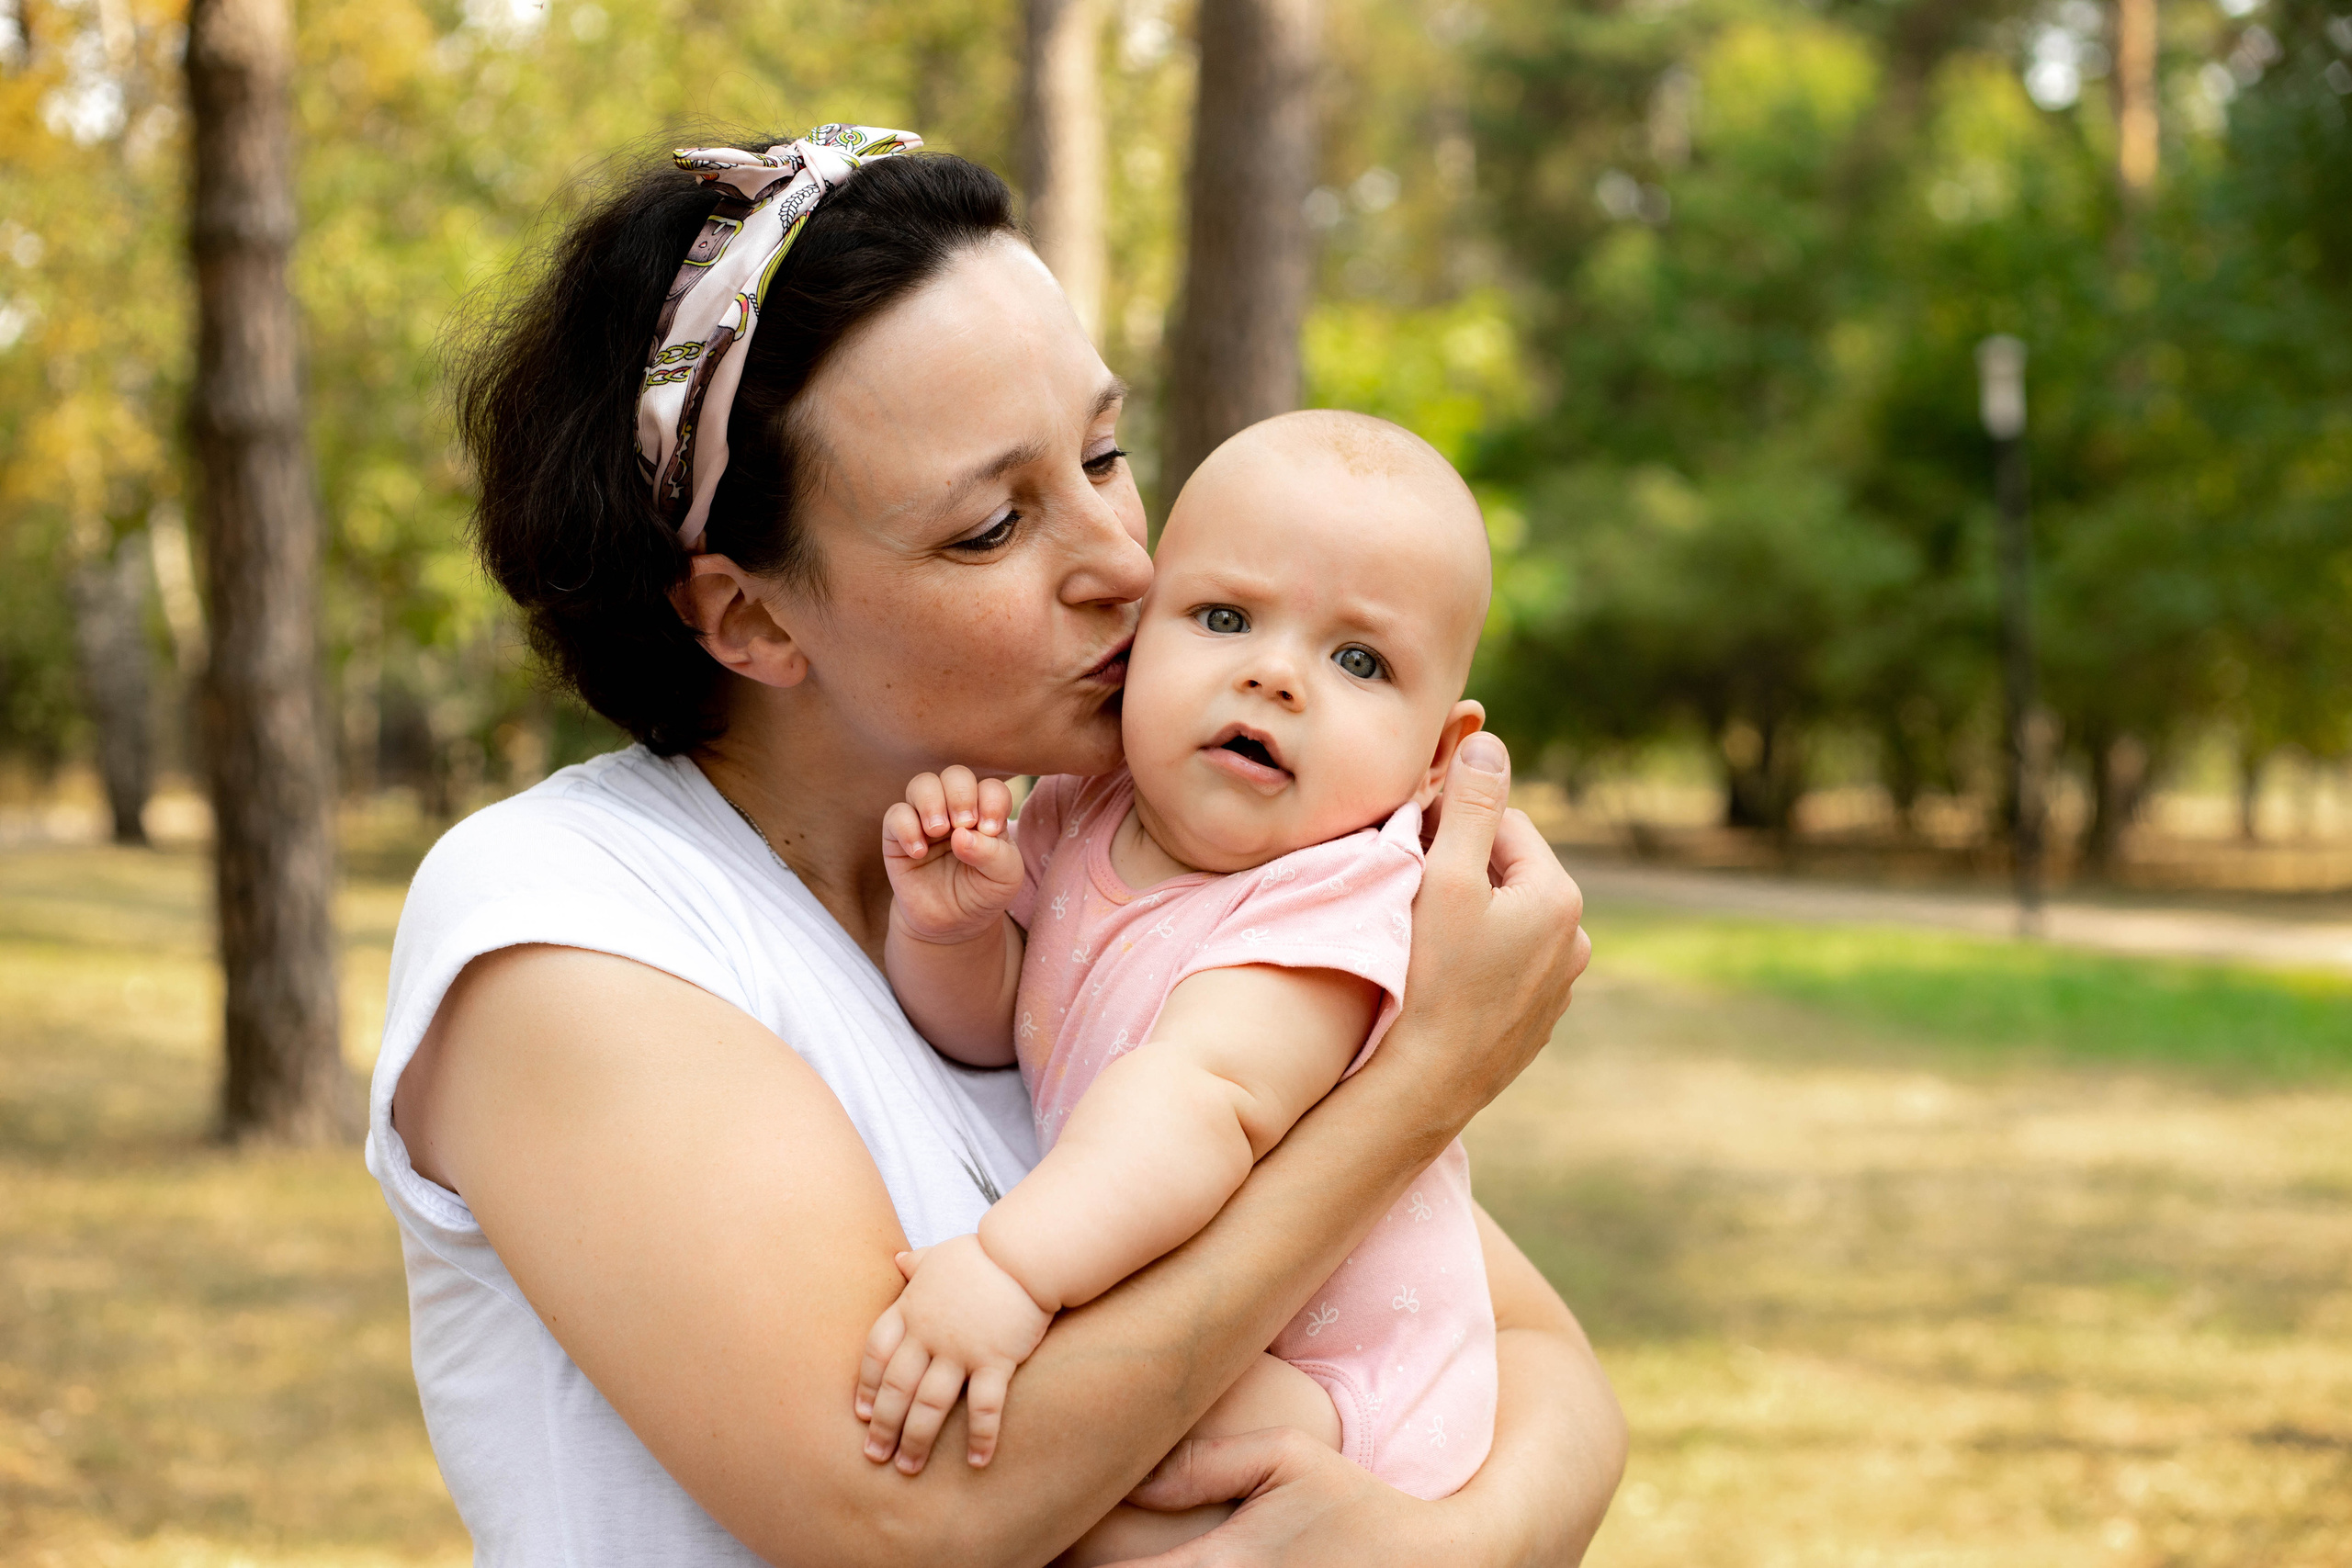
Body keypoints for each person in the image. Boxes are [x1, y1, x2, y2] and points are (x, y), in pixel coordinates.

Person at [371, 124, 1621, 1568]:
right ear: (754, 619)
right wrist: (1425, 1075)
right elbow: (908, 1504)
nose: (1126, 564)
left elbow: (1545, 1363)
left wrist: (1433, 1546)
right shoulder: (564, 925)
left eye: (1105, 451)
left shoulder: (1122, 872)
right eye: (993, 525)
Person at [859, 412, 1505, 1565]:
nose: (1275, 672)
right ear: (1136, 640)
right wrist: (952, 934)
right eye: (1223, 617)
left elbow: (1198, 1103)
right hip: (1207, 1320)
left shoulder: (1345, 895)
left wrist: (1011, 1269)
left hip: (1329, 1382)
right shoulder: (1073, 815)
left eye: (1360, 660)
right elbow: (992, 1035)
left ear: (1435, 761)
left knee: (1081, 1472)